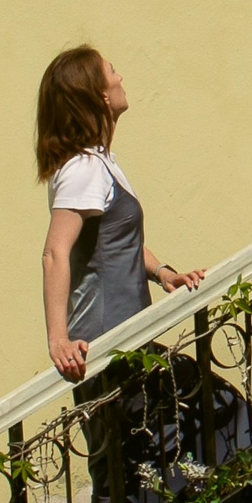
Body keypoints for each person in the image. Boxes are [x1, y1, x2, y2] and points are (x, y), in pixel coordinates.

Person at [36, 46, 203, 382]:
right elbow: (55, 252)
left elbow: (115, 243)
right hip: (106, 345)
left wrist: (164, 274)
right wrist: (58, 341)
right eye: (113, 71)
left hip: (128, 339)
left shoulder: (100, 163)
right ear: (101, 95)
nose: (121, 78)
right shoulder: (84, 168)